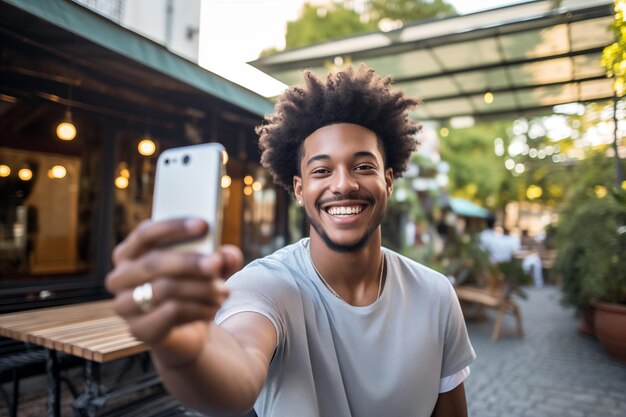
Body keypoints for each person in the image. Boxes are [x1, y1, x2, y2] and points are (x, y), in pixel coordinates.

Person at [105, 65, 476, 417]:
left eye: (363, 166)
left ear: (389, 181)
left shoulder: (435, 295)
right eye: (321, 170)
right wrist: (185, 350)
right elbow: (236, 380)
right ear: (300, 189)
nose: (343, 184)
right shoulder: (265, 286)